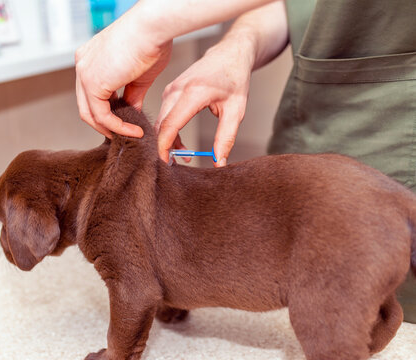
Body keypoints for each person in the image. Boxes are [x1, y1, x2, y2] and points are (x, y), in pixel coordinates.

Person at [75, 0, 416, 322]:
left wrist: (145, 23)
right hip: (303, 154)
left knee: (376, 315)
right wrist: (240, 44)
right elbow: (304, 7)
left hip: (388, 170)